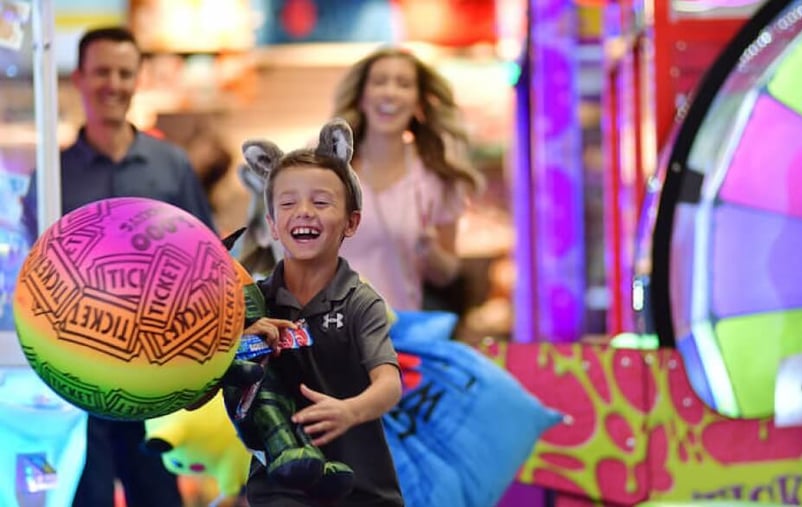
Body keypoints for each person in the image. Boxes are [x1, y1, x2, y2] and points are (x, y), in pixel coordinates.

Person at [21, 26, 215, 507]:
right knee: (85, 495)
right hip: (76, 373)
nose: (114, 83)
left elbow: (210, 267)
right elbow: (27, 276)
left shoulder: (172, 165)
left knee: (158, 495)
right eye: (102, 71)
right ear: (79, 80)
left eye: (124, 72)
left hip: (159, 370)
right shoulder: (51, 173)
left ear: (138, 79)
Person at [233, 119, 404, 506]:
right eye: (288, 203)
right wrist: (238, 345)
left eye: (322, 202)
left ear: (351, 222)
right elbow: (200, 388)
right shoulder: (248, 303)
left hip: (362, 488)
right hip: (279, 488)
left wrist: (349, 411)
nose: (304, 212)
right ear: (273, 225)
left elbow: (389, 384)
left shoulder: (361, 302)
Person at [331, 47, 481, 311]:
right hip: (324, 332)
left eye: (403, 84)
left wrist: (430, 249)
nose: (390, 92)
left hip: (396, 336)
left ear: (418, 102)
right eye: (379, 82)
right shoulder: (326, 165)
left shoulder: (437, 177)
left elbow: (447, 273)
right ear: (362, 97)